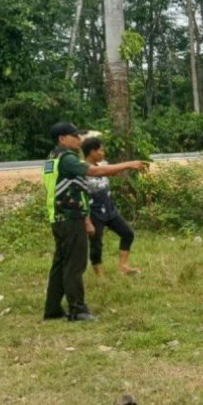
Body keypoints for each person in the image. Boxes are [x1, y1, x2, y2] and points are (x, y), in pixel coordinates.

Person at [42, 122, 147, 321]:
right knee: (75, 265)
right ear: (62, 139)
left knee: (60, 264)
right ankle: (78, 310)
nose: (78, 139)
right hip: (70, 218)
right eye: (74, 136)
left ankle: (52, 309)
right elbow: (94, 172)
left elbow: (76, 187)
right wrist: (128, 164)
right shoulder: (67, 158)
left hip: (58, 216)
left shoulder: (52, 158)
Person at [80, 136, 140, 277]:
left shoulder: (102, 166)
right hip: (94, 212)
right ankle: (99, 275)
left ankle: (124, 266)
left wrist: (129, 168)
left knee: (127, 233)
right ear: (92, 151)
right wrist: (86, 220)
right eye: (101, 150)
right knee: (96, 245)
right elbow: (80, 194)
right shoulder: (82, 169)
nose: (104, 153)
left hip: (109, 210)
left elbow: (113, 171)